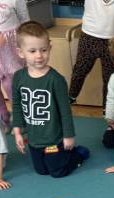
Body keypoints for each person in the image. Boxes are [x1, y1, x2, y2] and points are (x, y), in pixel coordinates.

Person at [11, 21, 85, 178]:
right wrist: (17, 132)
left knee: (57, 172)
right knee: (41, 171)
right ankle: (60, 156)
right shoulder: (18, 77)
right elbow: (17, 106)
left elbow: (65, 111)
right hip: (34, 140)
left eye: (43, 50)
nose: (39, 55)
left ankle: (78, 154)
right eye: (32, 51)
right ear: (21, 52)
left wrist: (68, 136)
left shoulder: (56, 80)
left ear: (49, 48)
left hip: (54, 140)